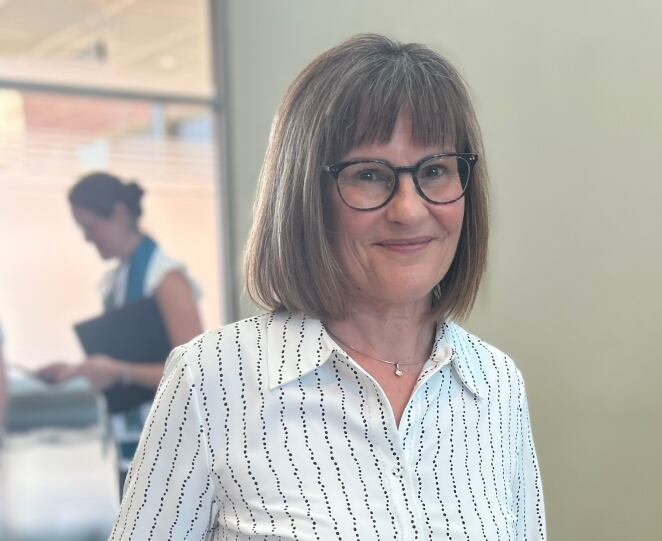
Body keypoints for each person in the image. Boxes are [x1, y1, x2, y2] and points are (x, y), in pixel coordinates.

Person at [111, 34, 546, 540]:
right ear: (305, 197)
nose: (409, 209)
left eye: (435, 171)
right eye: (369, 175)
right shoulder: (212, 381)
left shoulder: (496, 384)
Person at [36, 172, 203, 482]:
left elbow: (195, 376)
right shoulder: (116, 282)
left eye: (90, 227)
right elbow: (122, 360)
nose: (87, 238)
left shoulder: (166, 278)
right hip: (132, 453)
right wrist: (78, 371)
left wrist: (119, 372)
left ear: (119, 213)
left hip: (171, 457)